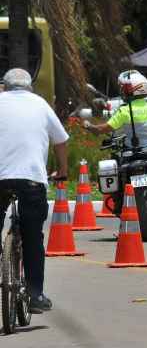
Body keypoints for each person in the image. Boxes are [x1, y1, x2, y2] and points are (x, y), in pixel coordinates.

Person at [0, 68, 69, 313]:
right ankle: (35, 294)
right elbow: (60, 140)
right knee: (32, 236)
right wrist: (62, 171)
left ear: (4, 87)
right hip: (31, 179)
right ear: (29, 87)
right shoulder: (40, 104)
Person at [84, 70, 147, 151]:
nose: (122, 91)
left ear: (130, 90)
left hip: (130, 155)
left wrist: (89, 125)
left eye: (123, 88)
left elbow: (100, 130)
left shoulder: (124, 111)